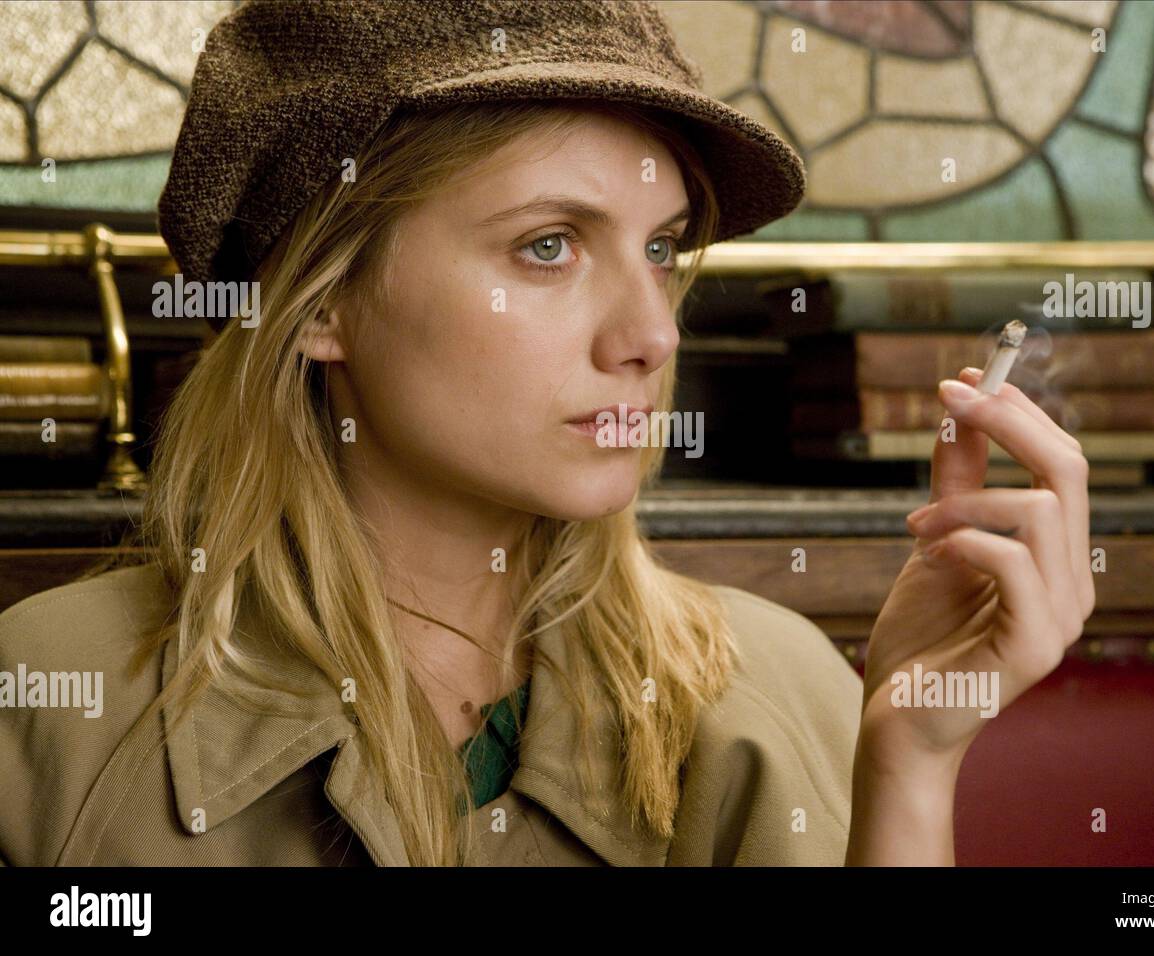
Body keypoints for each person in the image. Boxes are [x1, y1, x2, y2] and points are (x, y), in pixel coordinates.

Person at [0, 0, 1093, 867]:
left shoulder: (784, 691)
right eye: (547, 246)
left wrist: (910, 766)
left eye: (661, 248)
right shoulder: (50, 714)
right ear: (321, 301)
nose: (651, 332)